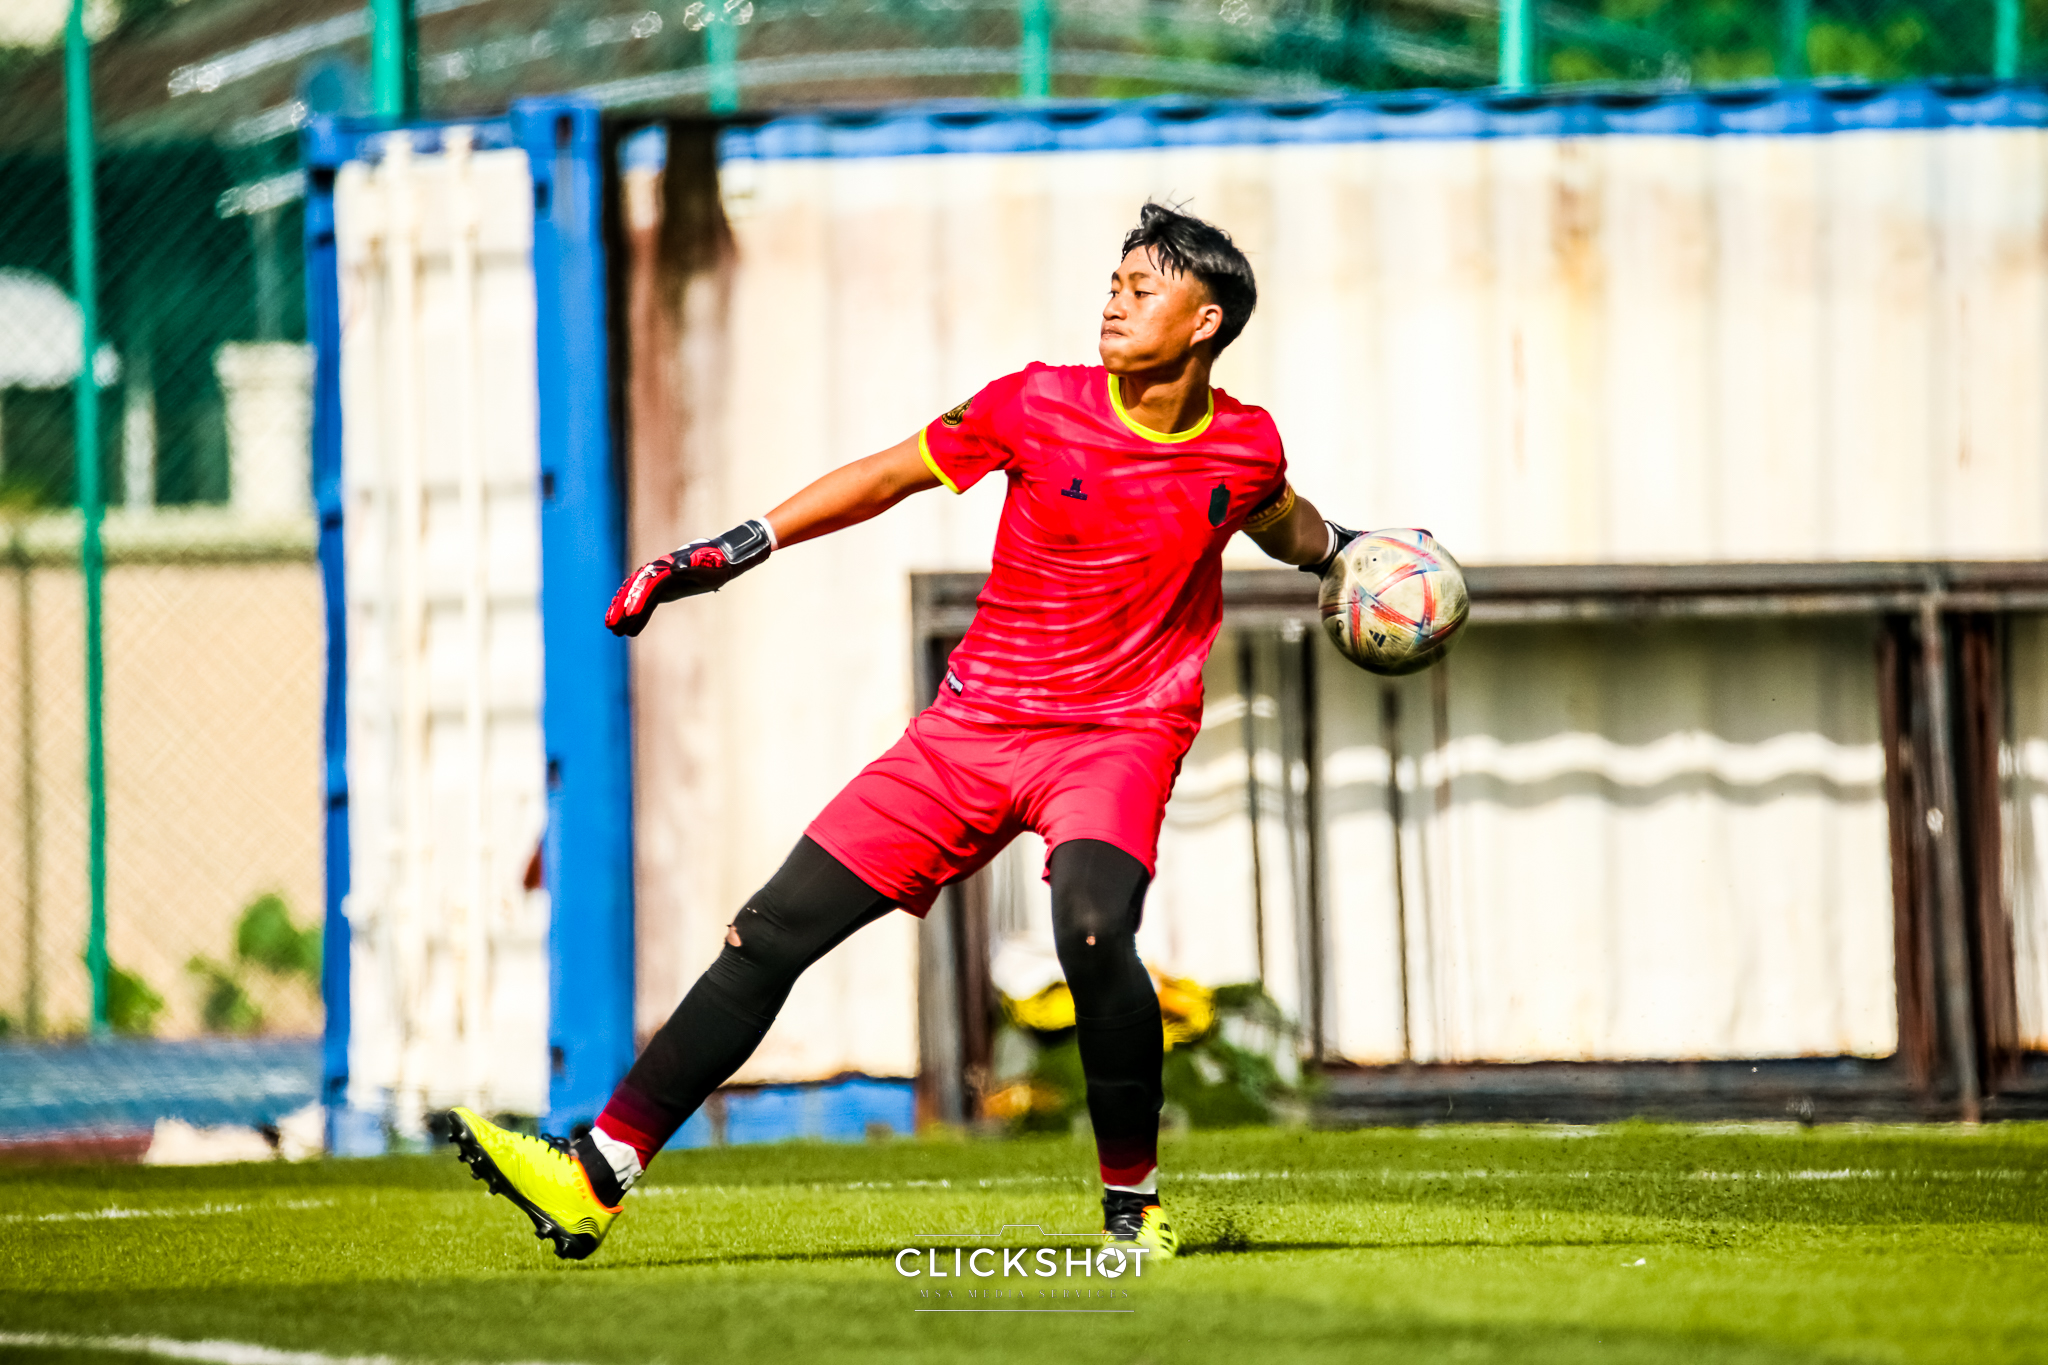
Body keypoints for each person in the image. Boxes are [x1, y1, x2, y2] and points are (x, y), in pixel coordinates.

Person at [448, 202, 1358, 1262]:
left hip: (1115, 736)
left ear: (1205, 324)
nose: (1113, 299)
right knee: (768, 932)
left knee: (1095, 931)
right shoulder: (1032, 405)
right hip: (968, 732)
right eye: (1112, 280)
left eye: (1142, 287)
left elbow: (1276, 517)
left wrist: (1351, 548)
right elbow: (888, 474)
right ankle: (593, 1172)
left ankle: (1132, 1208)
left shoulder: (1243, 447)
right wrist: (736, 545)